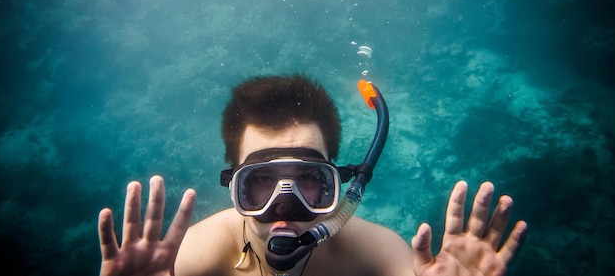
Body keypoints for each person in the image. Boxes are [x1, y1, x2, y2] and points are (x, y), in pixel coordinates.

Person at [98, 74, 527, 276]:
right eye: (261, 182)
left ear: (338, 184)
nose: (285, 206)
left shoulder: (379, 256)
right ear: (234, 186)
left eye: (308, 180)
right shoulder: (194, 258)